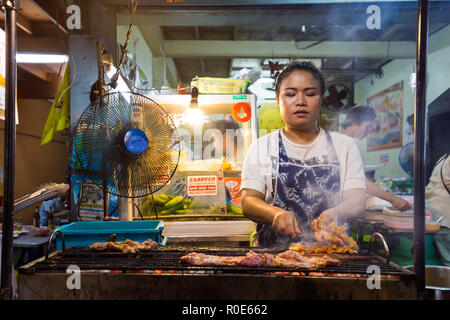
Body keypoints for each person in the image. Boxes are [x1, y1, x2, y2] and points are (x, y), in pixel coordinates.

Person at [240, 61, 367, 247]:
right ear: (277, 100)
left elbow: (357, 200)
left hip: (332, 253)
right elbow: (248, 201)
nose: (300, 101)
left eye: (310, 94)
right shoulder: (262, 146)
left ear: (321, 99)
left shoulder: (345, 145)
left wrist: (336, 213)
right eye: (290, 94)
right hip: (274, 256)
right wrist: (275, 214)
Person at [340, 105, 412, 212]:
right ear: (355, 122)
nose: (369, 131)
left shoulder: (347, 142)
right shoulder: (341, 143)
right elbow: (359, 180)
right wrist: (393, 199)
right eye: (367, 126)